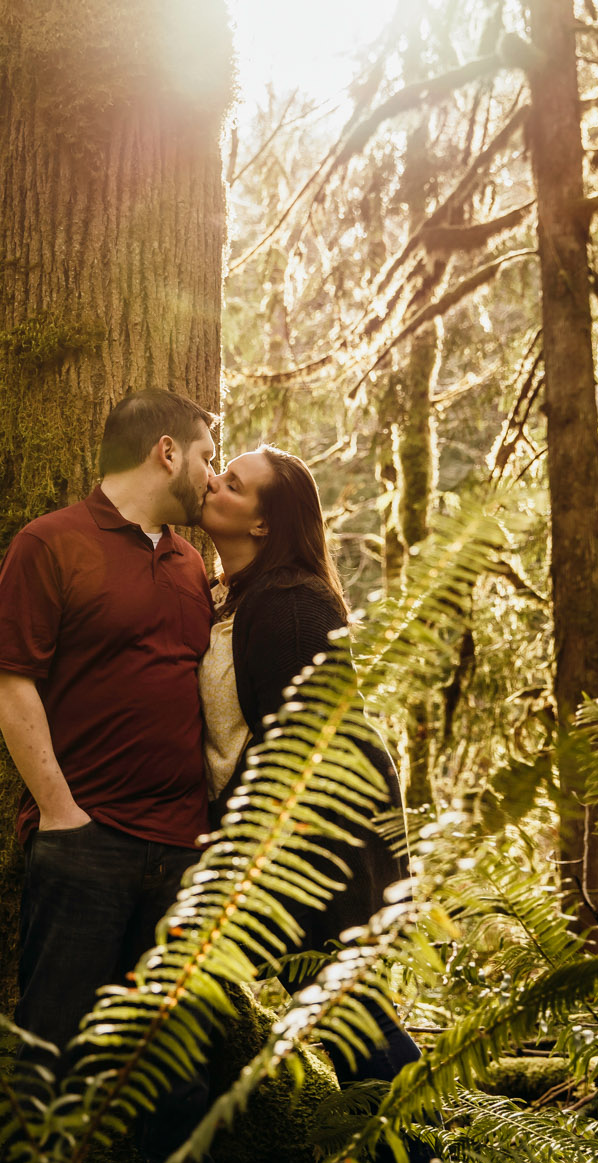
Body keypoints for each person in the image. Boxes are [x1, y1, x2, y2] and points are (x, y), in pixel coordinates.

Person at [0, 386, 217, 1163]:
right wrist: (60, 811)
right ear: (167, 451)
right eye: (207, 456)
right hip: (87, 844)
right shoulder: (50, 544)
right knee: (51, 1045)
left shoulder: (191, 566)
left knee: (176, 1059)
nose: (211, 478)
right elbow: (11, 680)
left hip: (184, 851)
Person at [197, 444, 423, 1086]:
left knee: (350, 1019)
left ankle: (426, 1161)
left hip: (324, 843)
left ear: (263, 524)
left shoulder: (292, 605)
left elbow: (304, 748)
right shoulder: (228, 596)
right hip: (283, 843)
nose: (213, 482)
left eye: (233, 484)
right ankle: (412, 1159)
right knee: (337, 1013)